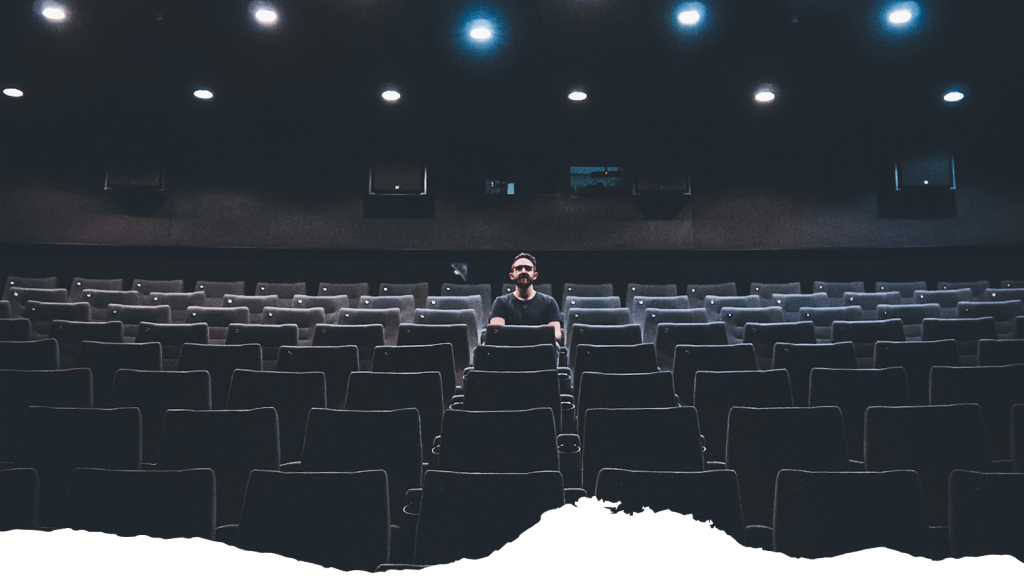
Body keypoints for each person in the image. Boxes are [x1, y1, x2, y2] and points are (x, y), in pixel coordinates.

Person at [489, 253, 562, 342]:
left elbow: (556, 335)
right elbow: (497, 334)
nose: (523, 271)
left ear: (535, 275)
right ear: (511, 276)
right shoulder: (500, 302)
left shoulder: (549, 302)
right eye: (518, 268)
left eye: (528, 268)